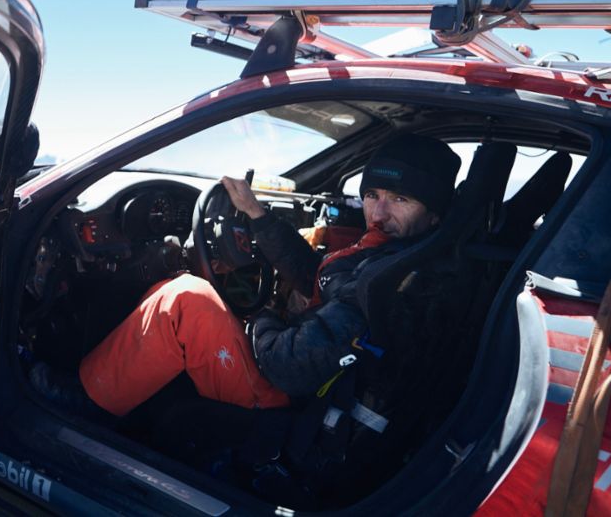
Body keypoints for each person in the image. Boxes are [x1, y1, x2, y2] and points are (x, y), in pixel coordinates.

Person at [32, 134, 462, 420]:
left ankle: (84, 405)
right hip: (311, 370)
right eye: (372, 195)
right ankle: (106, 383)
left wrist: (264, 315)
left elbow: (285, 366)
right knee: (180, 294)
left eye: (400, 199)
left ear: (434, 212)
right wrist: (257, 217)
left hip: (290, 399)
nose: (379, 213)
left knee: (184, 301)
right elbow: (318, 275)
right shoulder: (395, 252)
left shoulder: (393, 282)